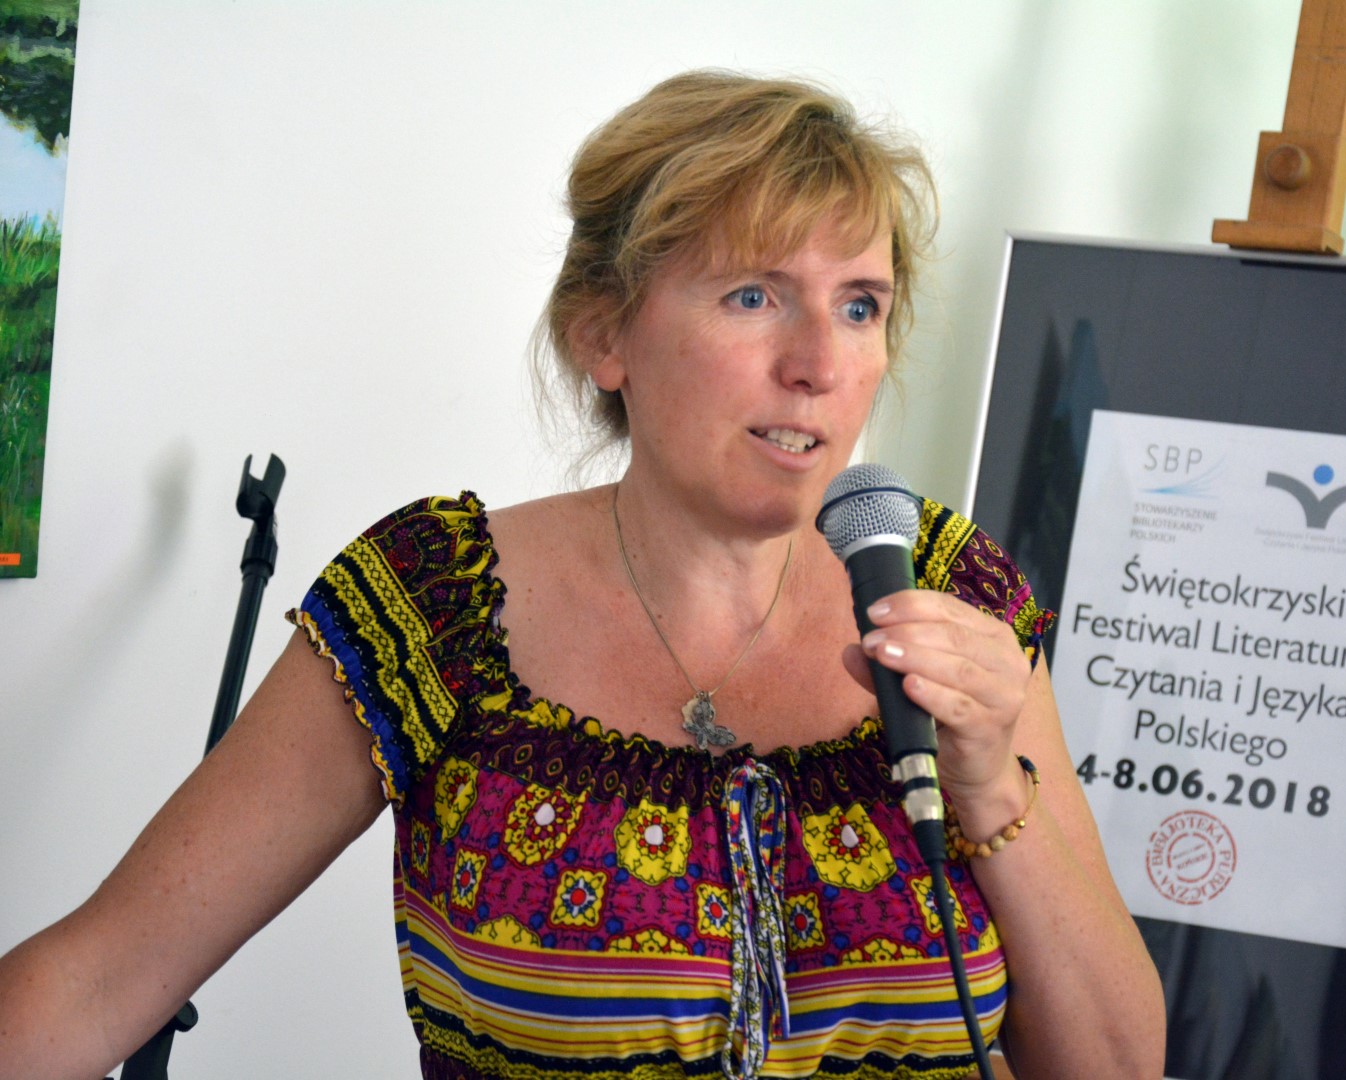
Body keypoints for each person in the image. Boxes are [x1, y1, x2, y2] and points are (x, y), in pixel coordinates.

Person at [0, 70, 1165, 1079]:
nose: (818, 362)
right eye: (753, 295)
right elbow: (99, 980)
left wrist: (987, 787)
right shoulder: (436, 604)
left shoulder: (951, 597)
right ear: (602, 334)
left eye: (859, 306)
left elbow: (1114, 1064)